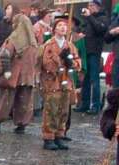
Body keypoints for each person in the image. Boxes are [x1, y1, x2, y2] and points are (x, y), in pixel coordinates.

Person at [0, 12, 37, 135]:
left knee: (5, 100)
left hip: (12, 75)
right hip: (28, 76)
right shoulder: (33, 42)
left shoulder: (14, 38)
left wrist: (2, 71)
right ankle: (21, 125)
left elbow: (5, 55)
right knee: (24, 101)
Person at [39, 16, 81, 151]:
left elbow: (78, 63)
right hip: (52, 82)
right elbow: (46, 63)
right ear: (54, 29)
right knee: (51, 109)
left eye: (65, 26)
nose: (63, 28)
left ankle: (59, 135)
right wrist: (59, 60)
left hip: (66, 82)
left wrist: (71, 63)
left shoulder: (70, 45)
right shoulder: (49, 45)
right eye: (60, 25)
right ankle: (48, 136)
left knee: (63, 110)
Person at [76, 0, 107, 114]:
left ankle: (95, 105)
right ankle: (84, 103)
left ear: (98, 6)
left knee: (94, 79)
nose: (89, 7)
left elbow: (100, 29)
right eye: (88, 5)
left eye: (92, 5)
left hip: (94, 52)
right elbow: (83, 29)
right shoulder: (88, 19)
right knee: (85, 79)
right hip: (85, 52)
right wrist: (80, 32)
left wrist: (89, 17)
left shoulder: (102, 17)